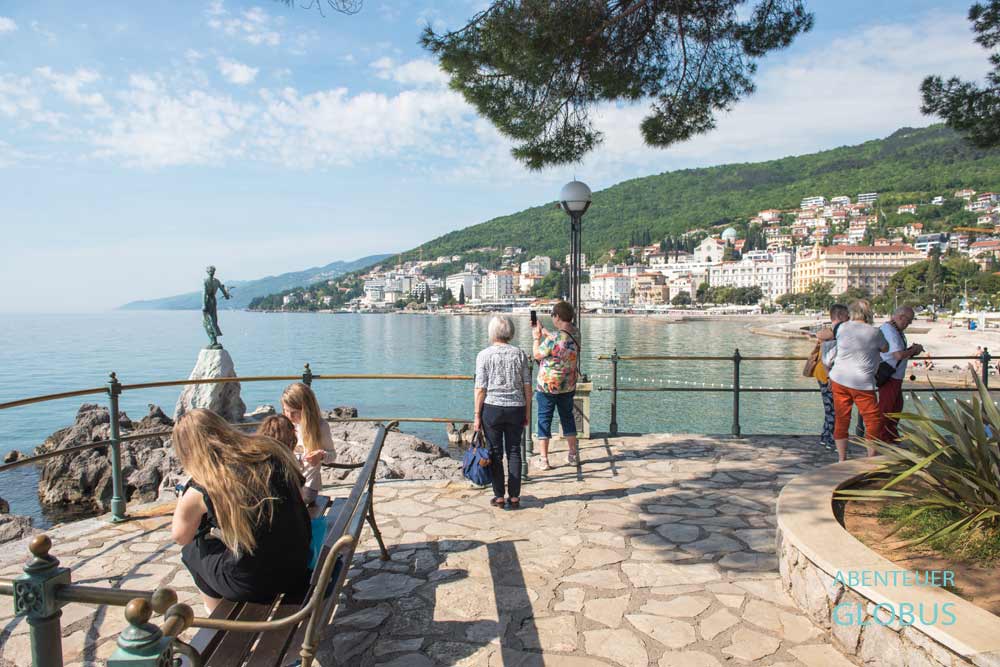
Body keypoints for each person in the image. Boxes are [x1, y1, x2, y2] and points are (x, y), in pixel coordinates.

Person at [171, 409, 311, 613]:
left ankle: (216, 617)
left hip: (255, 584)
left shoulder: (204, 485)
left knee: (192, 551)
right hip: (299, 564)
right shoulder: (269, 451)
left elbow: (180, 536)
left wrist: (183, 497)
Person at [474, 315, 532, 509]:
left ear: (492, 332)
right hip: (517, 407)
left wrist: (476, 415)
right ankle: (514, 496)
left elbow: (480, 388)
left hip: (492, 408)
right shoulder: (520, 354)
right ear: (511, 332)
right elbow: (527, 387)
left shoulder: (484, 355)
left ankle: (499, 495)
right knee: (514, 451)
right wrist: (528, 413)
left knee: (495, 452)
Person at [827, 300, 889, 462]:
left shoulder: (841, 328)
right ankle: (870, 458)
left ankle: (842, 458)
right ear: (869, 314)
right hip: (862, 382)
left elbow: (831, 338)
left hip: (839, 378)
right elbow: (885, 348)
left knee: (842, 418)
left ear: (851, 313)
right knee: (873, 420)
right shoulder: (875, 332)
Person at [532, 301, 580, 470]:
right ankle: (573, 454)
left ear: (557, 317)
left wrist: (537, 338)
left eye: (553, 315)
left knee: (544, 420)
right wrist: (545, 331)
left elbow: (537, 354)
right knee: (567, 418)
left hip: (548, 386)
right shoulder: (576, 333)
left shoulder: (553, 340)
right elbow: (559, 339)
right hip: (568, 385)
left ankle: (544, 460)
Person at [281, 383, 338, 505]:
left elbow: (332, 455)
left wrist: (321, 455)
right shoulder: (286, 424)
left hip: (308, 485)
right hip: (289, 482)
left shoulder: (321, 427)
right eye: (286, 411)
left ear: (306, 409)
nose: (289, 416)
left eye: (295, 412)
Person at [878, 307, 924, 442]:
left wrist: (911, 350)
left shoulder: (893, 330)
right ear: (901, 317)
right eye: (908, 321)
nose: (908, 324)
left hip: (894, 374)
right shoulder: (890, 331)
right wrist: (914, 350)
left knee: (896, 406)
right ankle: (881, 437)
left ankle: (890, 435)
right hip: (890, 375)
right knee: (887, 408)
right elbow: (898, 355)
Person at [813, 304, 849, 450]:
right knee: (834, 409)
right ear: (840, 316)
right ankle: (831, 439)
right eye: (847, 316)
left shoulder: (830, 332)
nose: (849, 319)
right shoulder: (833, 332)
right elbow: (827, 358)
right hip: (827, 375)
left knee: (830, 408)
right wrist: (830, 378)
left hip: (824, 373)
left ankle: (826, 436)